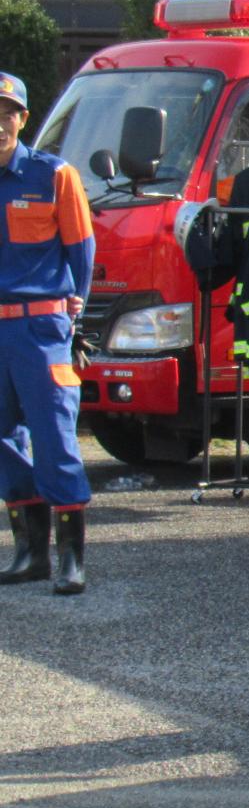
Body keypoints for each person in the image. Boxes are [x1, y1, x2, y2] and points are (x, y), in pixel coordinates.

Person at [0, 72, 92, 598]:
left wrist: (72, 316)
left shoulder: (53, 175)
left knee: (55, 438)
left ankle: (71, 560)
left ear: (23, 119)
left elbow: (81, 250)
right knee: (4, 441)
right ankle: (30, 554)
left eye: (7, 112)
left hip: (40, 328)